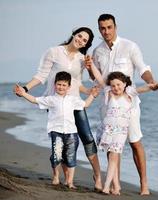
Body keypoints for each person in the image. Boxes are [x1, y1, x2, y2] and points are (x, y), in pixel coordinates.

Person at [14, 27, 104, 191]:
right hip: (55, 102)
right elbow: (41, 76)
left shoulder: (82, 59)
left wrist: (90, 91)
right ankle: (67, 178)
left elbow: (77, 83)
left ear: (86, 44)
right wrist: (26, 89)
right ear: (74, 34)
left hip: (74, 102)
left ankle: (97, 175)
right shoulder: (53, 52)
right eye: (80, 36)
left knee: (87, 137)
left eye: (85, 40)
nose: (81, 40)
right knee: (62, 138)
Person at [85, 14, 158, 195]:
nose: (106, 31)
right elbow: (95, 77)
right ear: (99, 29)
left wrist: (151, 82)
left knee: (135, 142)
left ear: (115, 27)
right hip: (108, 105)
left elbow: (143, 69)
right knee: (112, 144)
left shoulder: (130, 46)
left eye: (109, 27)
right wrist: (89, 67)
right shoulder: (98, 51)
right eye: (102, 28)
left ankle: (144, 184)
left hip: (129, 104)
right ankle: (115, 185)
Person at [14, 71, 100, 189]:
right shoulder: (51, 99)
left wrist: (92, 95)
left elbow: (85, 105)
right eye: (59, 84)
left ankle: (70, 182)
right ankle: (56, 176)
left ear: (69, 87)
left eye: (64, 85)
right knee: (57, 155)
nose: (61, 87)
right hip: (56, 131)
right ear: (55, 85)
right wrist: (23, 93)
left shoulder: (72, 99)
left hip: (71, 133)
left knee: (70, 156)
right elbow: (35, 100)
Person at [96, 71, 158, 195]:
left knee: (114, 156)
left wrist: (155, 86)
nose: (116, 87)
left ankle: (106, 186)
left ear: (125, 84)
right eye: (113, 85)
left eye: (118, 85)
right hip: (108, 129)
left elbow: (144, 89)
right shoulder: (109, 93)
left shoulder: (129, 94)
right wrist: (91, 65)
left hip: (120, 131)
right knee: (112, 155)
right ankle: (116, 187)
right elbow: (99, 78)